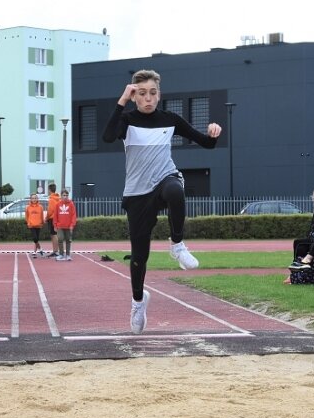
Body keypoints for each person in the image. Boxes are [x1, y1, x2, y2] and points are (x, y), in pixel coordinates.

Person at [102, 69, 221, 334]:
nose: (148, 99)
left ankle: (177, 244)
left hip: (164, 177)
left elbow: (207, 144)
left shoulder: (170, 120)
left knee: (176, 191)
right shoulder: (127, 120)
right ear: (134, 96)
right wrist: (121, 100)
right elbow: (108, 136)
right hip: (137, 192)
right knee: (139, 257)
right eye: (141, 94)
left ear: (159, 94)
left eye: (152, 93)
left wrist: (213, 133)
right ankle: (138, 301)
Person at [53, 190, 77, 261]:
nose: (65, 197)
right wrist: (55, 225)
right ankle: (61, 254)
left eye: (66, 195)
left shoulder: (71, 204)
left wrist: (72, 225)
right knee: (60, 239)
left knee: (68, 240)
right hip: (60, 226)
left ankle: (68, 255)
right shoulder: (58, 204)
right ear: (61, 196)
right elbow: (55, 216)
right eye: (64, 195)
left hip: (68, 226)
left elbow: (73, 215)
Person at [25, 193, 45, 258]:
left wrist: (42, 222)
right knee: (35, 238)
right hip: (31, 225)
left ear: (37, 199)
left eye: (35, 198)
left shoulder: (40, 207)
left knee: (37, 239)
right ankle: (41, 249)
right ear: (30, 199)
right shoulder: (28, 207)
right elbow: (26, 216)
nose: (34, 199)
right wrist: (28, 222)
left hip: (38, 225)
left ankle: (35, 252)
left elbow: (42, 215)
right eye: (33, 198)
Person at [44, 183, 61, 258]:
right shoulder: (58, 198)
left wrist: (46, 218)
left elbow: (50, 210)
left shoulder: (51, 199)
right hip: (57, 218)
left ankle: (56, 251)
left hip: (52, 218)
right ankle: (55, 251)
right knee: (54, 234)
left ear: (49, 190)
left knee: (54, 235)